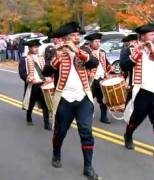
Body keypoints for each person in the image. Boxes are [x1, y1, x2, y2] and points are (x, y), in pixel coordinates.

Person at [42, 22, 101, 180]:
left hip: (83, 98)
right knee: (60, 132)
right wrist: (58, 58)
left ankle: (88, 167)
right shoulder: (56, 52)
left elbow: (94, 63)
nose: (76, 37)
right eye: (73, 36)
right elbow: (46, 71)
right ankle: (56, 154)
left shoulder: (85, 50)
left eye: (77, 35)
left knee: (87, 133)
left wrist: (77, 51)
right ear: (65, 38)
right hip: (64, 99)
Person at [120, 23, 154, 160]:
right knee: (136, 118)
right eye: (151, 34)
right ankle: (128, 135)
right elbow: (123, 65)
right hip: (141, 89)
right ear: (142, 36)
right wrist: (138, 51)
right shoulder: (131, 49)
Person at [18, 39, 51, 130]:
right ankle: (28, 117)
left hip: (42, 84)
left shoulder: (41, 58)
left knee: (46, 105)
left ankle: (47, 124)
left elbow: (45, 70)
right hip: (32, 85)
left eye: (37, 47)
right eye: (34, 47)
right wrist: (28, 78)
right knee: (31, 103)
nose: (37, 49)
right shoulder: (24, 59)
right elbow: (22, 72)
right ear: (29, 48)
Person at [83, 32, 112, 124]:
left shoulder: (102, 52)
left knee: (103, 99)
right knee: (88, 100)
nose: (98, 43)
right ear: (90, 43)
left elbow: (106, 64)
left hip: (101, 78)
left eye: (99, 41)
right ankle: (87, 117)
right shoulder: (86, 52)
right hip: (91, 79)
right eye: (96, 41)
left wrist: (109, 68)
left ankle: (104, 117)